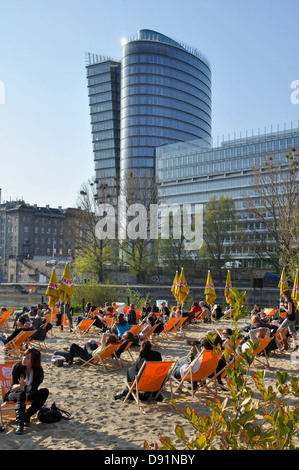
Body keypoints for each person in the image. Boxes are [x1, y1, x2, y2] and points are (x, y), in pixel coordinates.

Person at [4, 348, 49, 434]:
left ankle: (27, 416)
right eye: (24, 355)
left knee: (44, 392)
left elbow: (35, 388)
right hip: (14, 394)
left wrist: (29, 393)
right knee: (21, 394)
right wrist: (20, 385)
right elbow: (13, 387)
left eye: (28, 358)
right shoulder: (17, 367)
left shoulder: (38, 371)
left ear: (34, 361)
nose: (24, 358)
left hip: (28, 394)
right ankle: (20, 425)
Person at [53, 333, 121, 366]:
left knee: (73, 345)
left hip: (90, 357)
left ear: (107, 340)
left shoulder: (104, 345)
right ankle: (80, 359)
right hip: (93, 354)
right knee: (87, 344)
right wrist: (99, 345)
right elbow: (101, 349)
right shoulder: (110, 345)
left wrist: (114, 335)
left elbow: (104, 334)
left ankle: (70, 362)